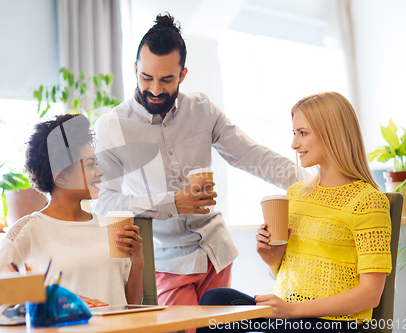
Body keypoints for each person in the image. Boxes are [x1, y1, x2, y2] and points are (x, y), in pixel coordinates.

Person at [92, 12, 297, 310]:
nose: (155, 89)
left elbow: (252, 156)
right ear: (134, 68)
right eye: (146, 77)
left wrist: (313, 183)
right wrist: (171, 202)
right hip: (165, 261)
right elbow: (104, 202)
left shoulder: (202, 110)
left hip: (216, 252)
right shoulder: (113, 126)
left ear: (183, 75)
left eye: (167, 79)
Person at [197, 91, 392, 333]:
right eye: (294, 133)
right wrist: (274, 260)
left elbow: (370, 295)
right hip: (288, 320)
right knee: (215, 302)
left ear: (331, 133)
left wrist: (293, 311)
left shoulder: (368, 201)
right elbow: (292, 275)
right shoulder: (296, 194)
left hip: (334, 324)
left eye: (302, 133)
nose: (294, 144)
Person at [0, 114, 144, 307]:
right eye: (90, 165)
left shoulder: (110, 227)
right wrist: (58, 300)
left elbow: (132, 304)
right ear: (61, 177)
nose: (100, 172)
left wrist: (138, 263)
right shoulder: (28, 231)